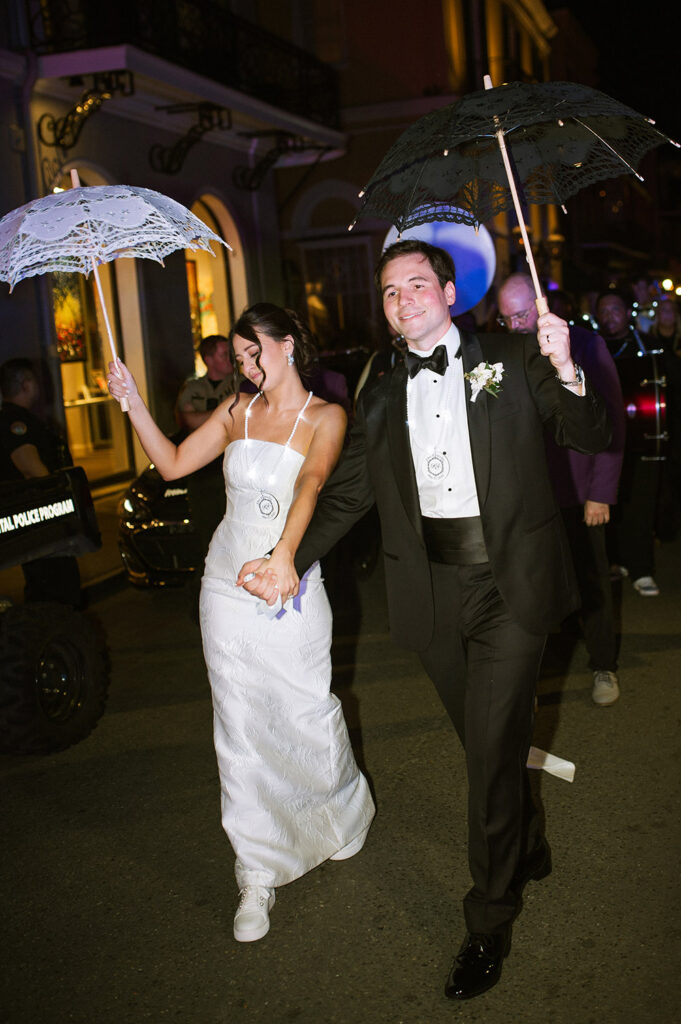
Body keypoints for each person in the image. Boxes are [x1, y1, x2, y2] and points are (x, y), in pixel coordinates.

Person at [242, 241, 610, 999]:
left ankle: (488, 916)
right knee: (487, 739)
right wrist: (288, 556)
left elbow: (589, 433)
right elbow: (349, 494)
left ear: (448, 292)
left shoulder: (511, 354)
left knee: (484, 751)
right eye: (388, 290)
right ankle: (527, 840)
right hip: (431, 590)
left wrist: (564, 364)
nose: (403, 298)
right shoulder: (379, 388)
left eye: (417, 284)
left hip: (509, 584)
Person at [106, 304, 375, 944]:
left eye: (253, 352)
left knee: (306, 708)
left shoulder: (326, 416)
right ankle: (255, 869)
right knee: (239, 725)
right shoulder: (235, 411)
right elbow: (172, 463)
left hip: (289, 582)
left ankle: (342, 812)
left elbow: (311, 483)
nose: (244, 365)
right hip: (226, 584)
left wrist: (285, 558)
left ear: (288, 345)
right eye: (238, 355)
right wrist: (133, 402)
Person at [498, 274, 625, 707]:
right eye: (506, 318)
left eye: (521, 314)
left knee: (592, 582)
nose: (515, 324)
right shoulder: (508, 354)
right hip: (533, 494)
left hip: (579, 487)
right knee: (538, 590)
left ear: (539, 304)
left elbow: (611, 425)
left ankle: (603, 664)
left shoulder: (587, 344)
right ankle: (537, 678)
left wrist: (601, 491)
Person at [0, 358, 81, 607]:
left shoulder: (17, 418)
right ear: (25, 384)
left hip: (36, 517)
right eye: (33, 380)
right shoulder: (16, 422)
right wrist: (59, 494)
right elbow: (29, 467)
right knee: (53, 583)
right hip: (40, 518)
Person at [595, 290, 661, 596]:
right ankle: (613, 562)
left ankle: (642, 569)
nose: (609, 316)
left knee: (640, 505)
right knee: (610, 503)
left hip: (643, 440)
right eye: (603, 311)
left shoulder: (648, 348)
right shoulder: (589, 347)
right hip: (604, 443)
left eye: (615, 310)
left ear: (627, 313)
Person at [175, 334, 234, 431]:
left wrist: (199, 416)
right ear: (209, 360)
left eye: (231, 353)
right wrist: (228, 412)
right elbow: (188, 421)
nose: (231, 358)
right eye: (224, 355)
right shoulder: (192, 387)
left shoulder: (242, 383)